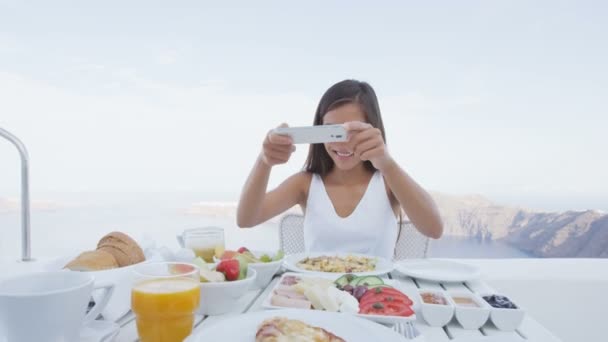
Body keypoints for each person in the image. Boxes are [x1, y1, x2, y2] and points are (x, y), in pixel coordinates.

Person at [237, 79, 443, 259]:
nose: (342, 144)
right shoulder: (305, 184)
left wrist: (387, 163)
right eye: (332, 131)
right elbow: (246, 219)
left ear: (372, 129)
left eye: (353, 130)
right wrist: (264, 162)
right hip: (318, 297)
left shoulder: (388, 181)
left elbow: (434, 229)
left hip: (376, 298)